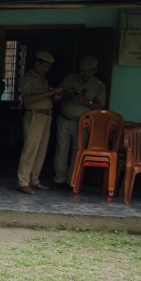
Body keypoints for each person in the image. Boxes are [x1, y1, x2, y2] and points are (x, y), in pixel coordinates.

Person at [53, 56, 105, 190]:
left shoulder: (99, 85)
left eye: (89, 71)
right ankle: (59, 180)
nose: (85, 74)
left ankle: (72, 180)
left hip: (82, 123)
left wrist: (86, 102)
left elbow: (101, 106)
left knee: (77, 152)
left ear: (95, 71)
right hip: (64, 119)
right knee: (61, 151)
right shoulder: (70, 78)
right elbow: (56, 96)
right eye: (83, 71)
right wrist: (67, 96)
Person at [17, 51, 62, 194]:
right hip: (34, 116)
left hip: (46, 117)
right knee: (30, 149)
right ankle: (22, 181)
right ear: (37, 64)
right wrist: (48, 93)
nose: (47, 69)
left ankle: (34, 180)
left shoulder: (43, 79)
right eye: (45, 66)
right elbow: (27, 99)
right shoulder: (27, 79)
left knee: (41, 150)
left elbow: (43, 100)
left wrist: (54, 97)